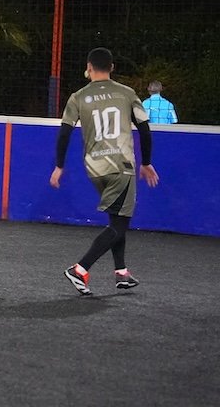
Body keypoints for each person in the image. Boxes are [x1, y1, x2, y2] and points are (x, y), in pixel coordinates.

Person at [50, 47, 160, 295]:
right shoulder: (127, 93)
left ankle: (121, 272)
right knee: (120, 225)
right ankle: (80, 269)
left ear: (89, 67)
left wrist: (59, 165)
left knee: (116, 219)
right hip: (121, 167)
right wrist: (146, 162)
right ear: (112, 68)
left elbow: (64, 133)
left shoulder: (78, 97)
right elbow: (144, 129)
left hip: (95, 169)